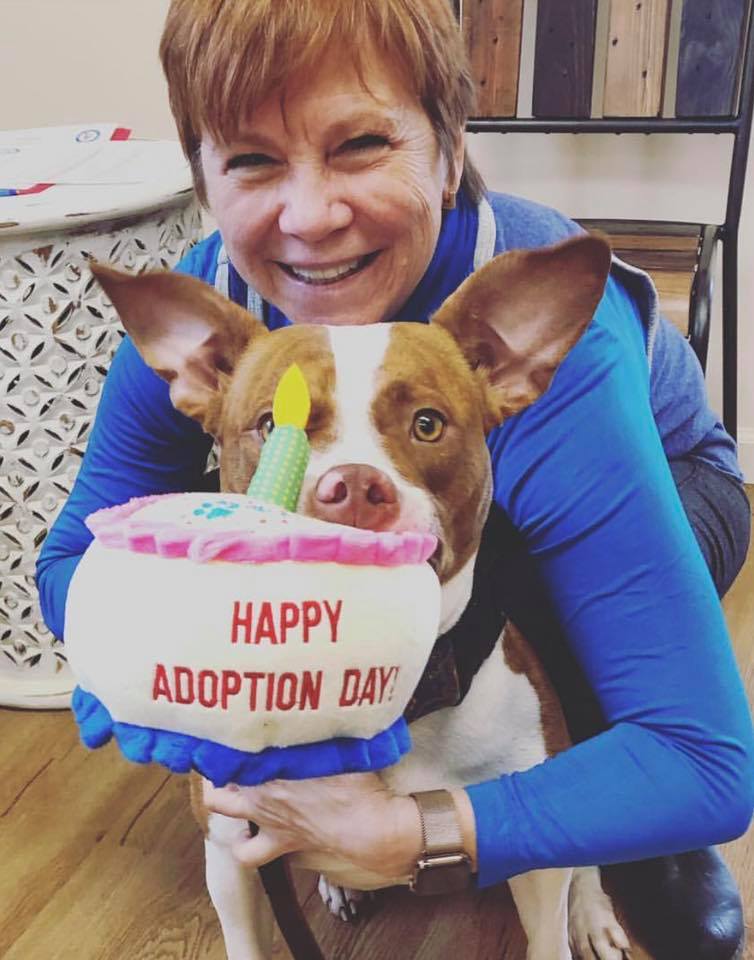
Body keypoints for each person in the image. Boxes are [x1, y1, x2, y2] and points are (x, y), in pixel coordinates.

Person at [37, 1, 753, 957]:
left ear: (450, 152)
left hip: (672, 488)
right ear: (204, 181)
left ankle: (611, 800)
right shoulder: (214, 321)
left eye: (361, 144)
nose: (310, 214)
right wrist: (157, 665)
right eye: (252, 160)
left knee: (501, 567)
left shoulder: (530, 337)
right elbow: (74, 556)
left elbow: (710, 762)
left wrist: (411, 837)